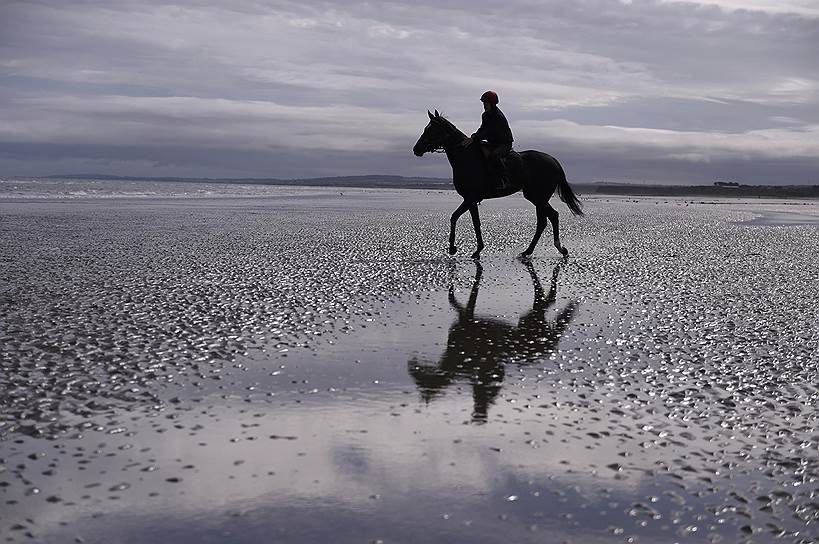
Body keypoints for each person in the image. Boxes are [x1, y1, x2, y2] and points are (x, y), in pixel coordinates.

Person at [462, 90, 514, 190]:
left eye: (486, 103)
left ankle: (504, 179)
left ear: (492, 104)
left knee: (494, 156)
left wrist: (474, 138)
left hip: (504, 144)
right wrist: (474, 136)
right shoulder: (485, 115)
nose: (484, 106)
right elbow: (483, 129)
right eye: (483, 103)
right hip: (492, 143)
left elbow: (489, 132)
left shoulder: (498, 116)